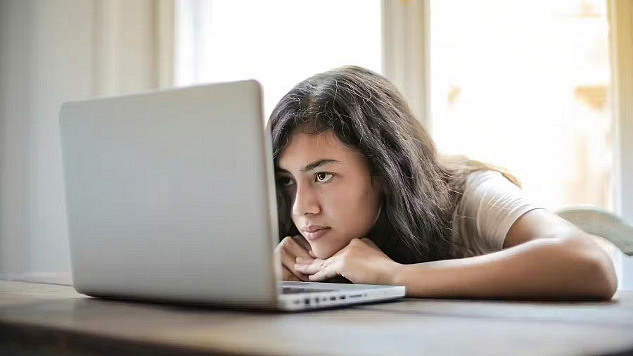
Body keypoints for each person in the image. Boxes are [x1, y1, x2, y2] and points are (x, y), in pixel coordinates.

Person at [270, 65, 617, 300]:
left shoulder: (469, 194)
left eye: (323, 176)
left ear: (385, 171)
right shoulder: (297, 234)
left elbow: (589, 264)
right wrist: (264, 280)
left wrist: (394, 276)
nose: (302, 207)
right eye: (288, 180)